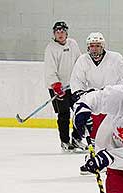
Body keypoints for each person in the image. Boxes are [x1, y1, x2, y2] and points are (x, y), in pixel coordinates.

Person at [70, 32, 123, 172]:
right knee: (94, 133)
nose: (95, 49)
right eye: (92, 46)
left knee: (113, 133)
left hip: (113, 102)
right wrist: (82, 96)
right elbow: (77, 81)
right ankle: (95, 158)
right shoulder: (83, 60)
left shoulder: (115, 58)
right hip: (96, 102)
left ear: (103, 46)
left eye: (97, 46)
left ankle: (116, 160)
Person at [44, 21, 84, 152]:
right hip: (58, 88)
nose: (60, 34)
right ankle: (65, 141)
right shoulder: (51, 48)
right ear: (54, 34)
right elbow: (50, 69)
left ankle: (77, 139)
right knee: (64, 114)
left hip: (74, 85)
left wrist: (82, 78)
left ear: (66, 32)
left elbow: (80, 62)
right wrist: (56, 84)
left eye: (62, 31)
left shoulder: (73, 44)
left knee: (81, 111)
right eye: (57, 31)